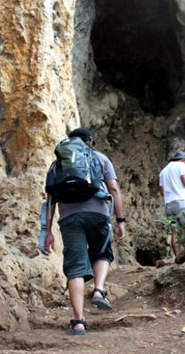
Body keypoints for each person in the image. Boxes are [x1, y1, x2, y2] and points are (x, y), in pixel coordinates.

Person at [44, 128, 126, 336]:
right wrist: (120, 220)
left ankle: (79, 321)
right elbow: (114, 189)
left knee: (75, 268)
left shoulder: (58, 164)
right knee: (101, 253)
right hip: (98, 214)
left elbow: (50, 200)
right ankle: (99, 290)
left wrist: (48, 231)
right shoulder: (100, 158)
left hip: (69, 219)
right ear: (90, 141)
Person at [159, 151, 185, 257]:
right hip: (182, 203)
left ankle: (178, 258)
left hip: (169, 206)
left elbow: (162, 192)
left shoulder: (163, 172)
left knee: (175, 232)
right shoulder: (181, 165)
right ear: (183, 160)